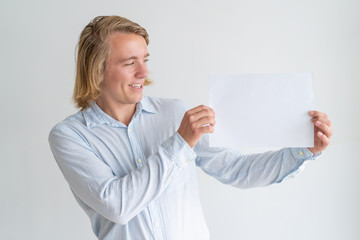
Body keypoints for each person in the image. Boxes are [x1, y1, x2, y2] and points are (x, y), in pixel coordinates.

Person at [48, 15, 332, 240]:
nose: (144, 73)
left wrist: (303, 150)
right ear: (97, 70)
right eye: (129, 62)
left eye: (145, 60)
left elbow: (238, 169)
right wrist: (180, 143)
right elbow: (118, 206)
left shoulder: (174, 112)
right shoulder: (70, 136)